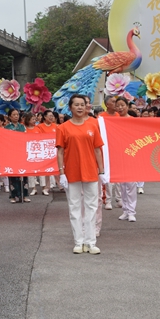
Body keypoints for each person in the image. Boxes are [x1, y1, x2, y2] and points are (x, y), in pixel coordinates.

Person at [56, 94, 105, 255]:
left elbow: (97, 150)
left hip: (90, 171)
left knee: (91, 207)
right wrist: (61, 173)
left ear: (86, 107)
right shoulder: (63, 128)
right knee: (74, 207)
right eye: (76, 104)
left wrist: (102, 171)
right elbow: (60, 152)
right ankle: (79, 242)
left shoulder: (92, 125)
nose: (79, 107)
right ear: (70, 107)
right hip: (72, 172)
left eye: (82, 105)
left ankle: (91, 242)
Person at [115, 97, 139, 222]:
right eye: (118, 105)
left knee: (131, 184)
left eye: (122, 105)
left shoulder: (133, 121)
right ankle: (125, 210)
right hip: (119, 156)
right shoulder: (114, 121)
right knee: (122, 185)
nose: (120, 108)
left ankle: (131, 211)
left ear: (127, 106)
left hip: (131, 155)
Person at [5, 109, 29, 203]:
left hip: (21, 152)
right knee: (13, 175)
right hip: (11, 153)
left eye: (17, 114)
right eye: (14, 114)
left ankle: (25, 195)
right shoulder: (7, 127)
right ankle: (13, 195)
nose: (16, 116)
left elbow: (26, 138)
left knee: (24, 174)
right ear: (10, 116)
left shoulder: (22, 127)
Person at [36, 110, 58, 195]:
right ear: (45, 117)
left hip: (55, 150)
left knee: (57, 168)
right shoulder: (40, 127)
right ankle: (46, 187)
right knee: (47, 171)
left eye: (52, 116)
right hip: (45, 151)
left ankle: (61, 185)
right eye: (50, 116)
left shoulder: (56, 126)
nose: (51, 117)